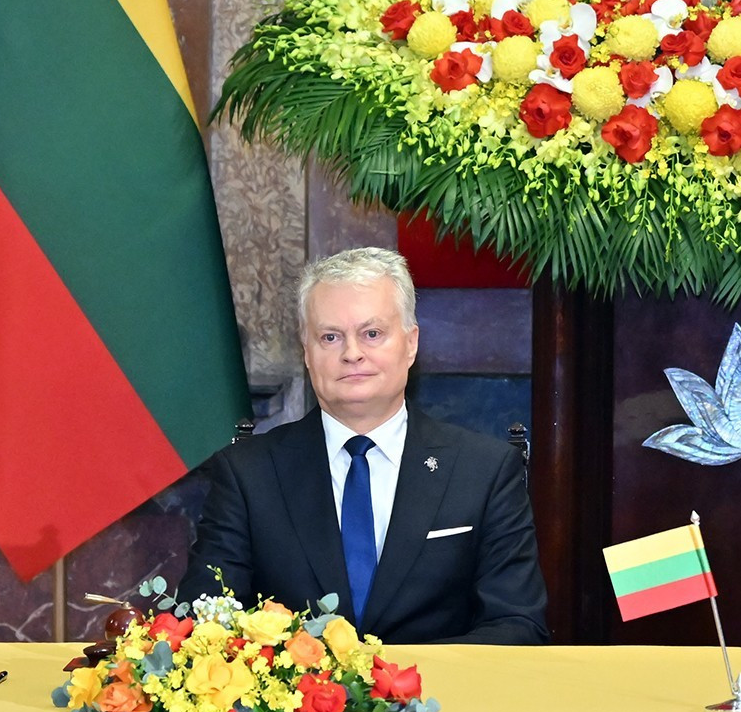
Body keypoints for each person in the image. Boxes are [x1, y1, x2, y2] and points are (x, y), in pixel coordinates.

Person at [179, 247, 548, 644]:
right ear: (306, 352)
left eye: (372, 334)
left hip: (440, 685)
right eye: (330, 337)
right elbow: (205, 627)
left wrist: (393, 674)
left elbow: (518, 627)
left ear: (410, 343)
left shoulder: (484, 471)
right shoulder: (248, 474)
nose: (352, 354)